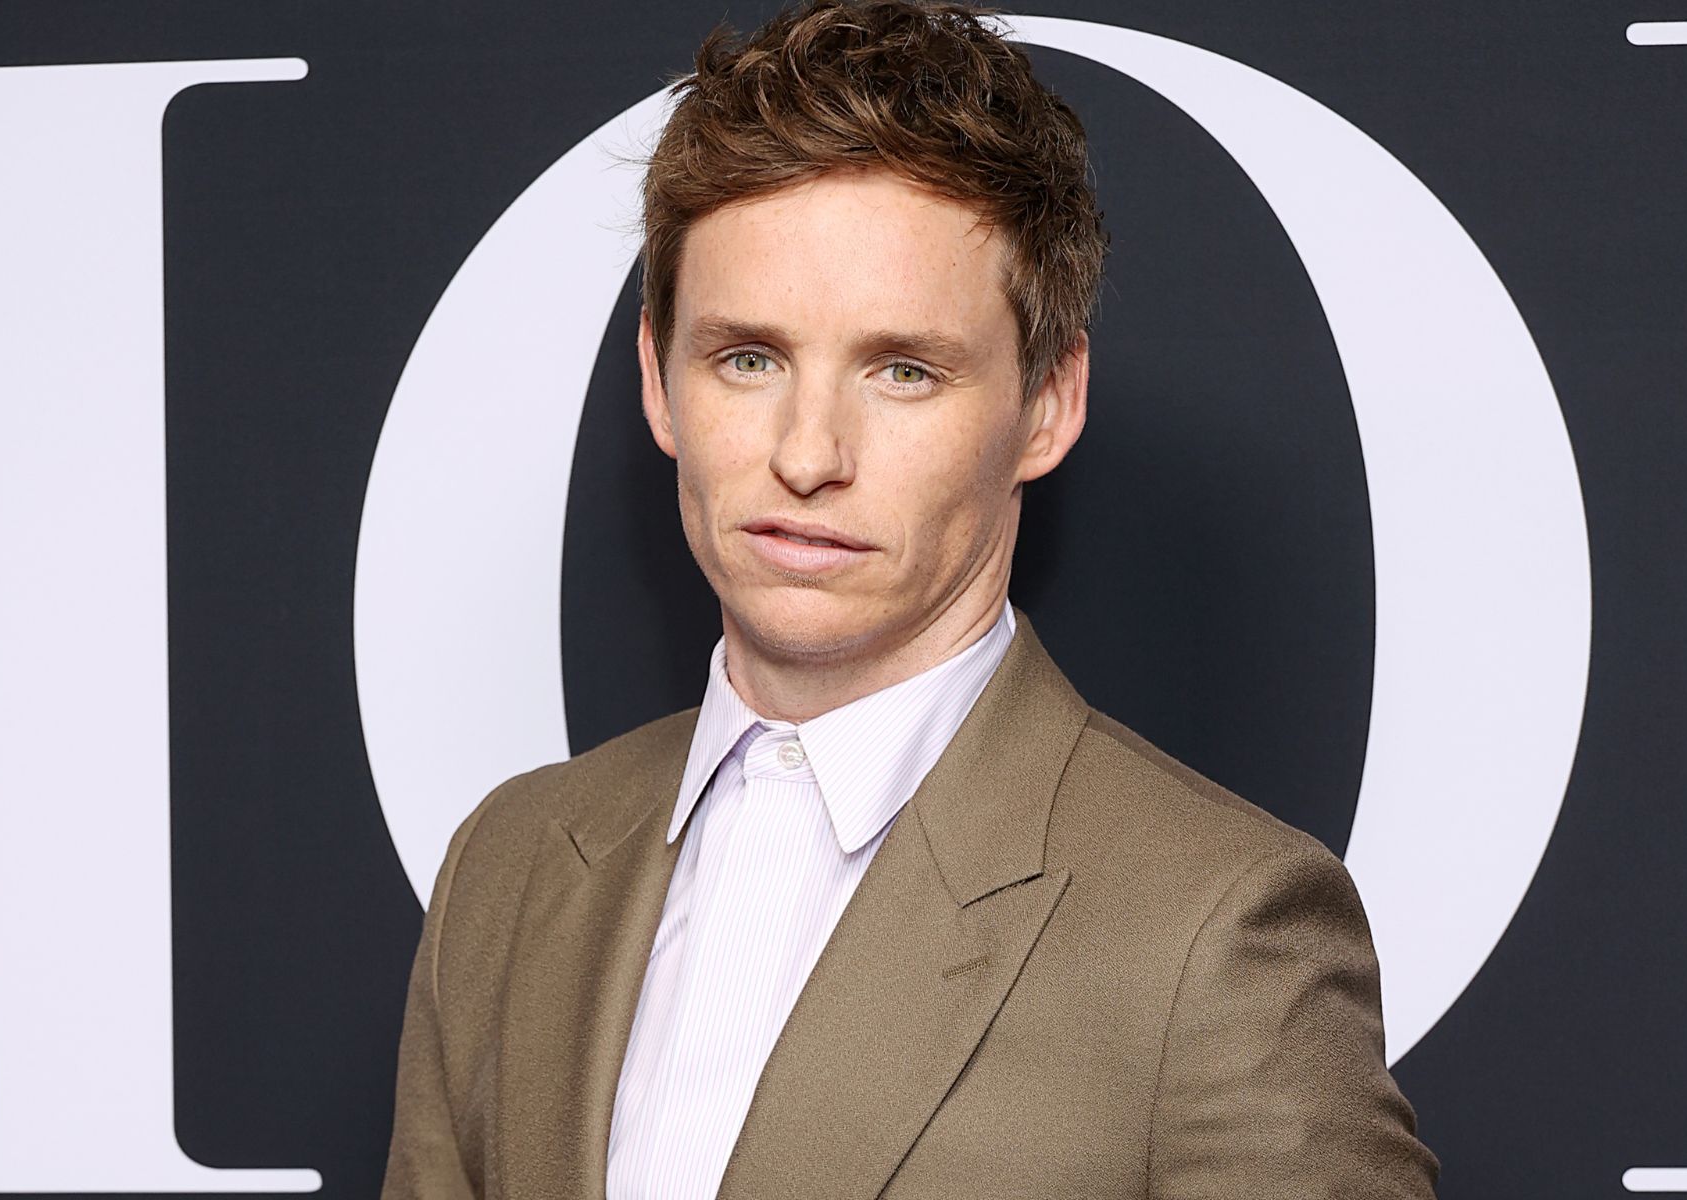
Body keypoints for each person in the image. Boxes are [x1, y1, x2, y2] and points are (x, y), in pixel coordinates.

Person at [381, 1, 1440, 1196]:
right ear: (657, 380)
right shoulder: (510, 867)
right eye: (749, 358)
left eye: (903, 370)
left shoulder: (1218, 932)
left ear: (1046, 403)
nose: (807, 453)